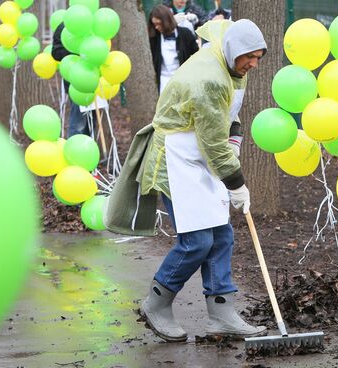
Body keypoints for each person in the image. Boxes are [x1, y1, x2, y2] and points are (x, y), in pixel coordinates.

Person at [105, 19, 267, 342]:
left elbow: (228, 117)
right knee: (197, 242)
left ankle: (221, 312)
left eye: (259, 57)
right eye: (249, 56)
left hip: (203, 154)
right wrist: (236, 183)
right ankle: (156, 302)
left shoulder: (234, 64)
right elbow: (212, 142)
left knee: (221, 235)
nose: (253, 63)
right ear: (235, 51)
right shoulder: (208, 79)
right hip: (176, 157)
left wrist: (234, 140)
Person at [51, 23, 94, 138]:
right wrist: (78, 52)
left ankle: (88, 152)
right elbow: (55, 52)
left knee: (92, 123)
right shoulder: (65, 26)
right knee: (78, 123)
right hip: (76, 83)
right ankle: (74, 152)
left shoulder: (93, 23)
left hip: (95, 81)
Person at [149, 5, 199, 93]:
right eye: (154, 24)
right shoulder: (154, 39)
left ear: (166, 21)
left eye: (158, 24)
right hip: (163, 80)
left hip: (183, 80)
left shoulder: (185, 34)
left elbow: (196, 55)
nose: (156, 27)